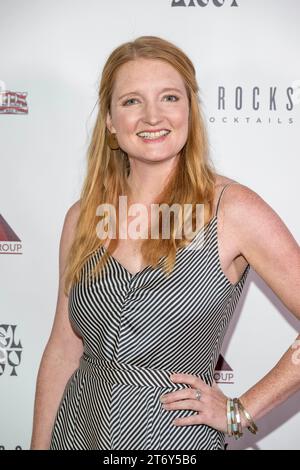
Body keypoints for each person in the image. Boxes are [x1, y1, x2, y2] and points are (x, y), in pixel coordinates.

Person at [30, 36, 300, 450]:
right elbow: (63, 349)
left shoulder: (234, 211)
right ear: (109, 120)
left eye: (169, 97)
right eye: (132, 101)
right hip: (77, 434)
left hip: (176, 443)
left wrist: (239, 411)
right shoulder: (82, 218)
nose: (152, 116)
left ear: (189, 110)